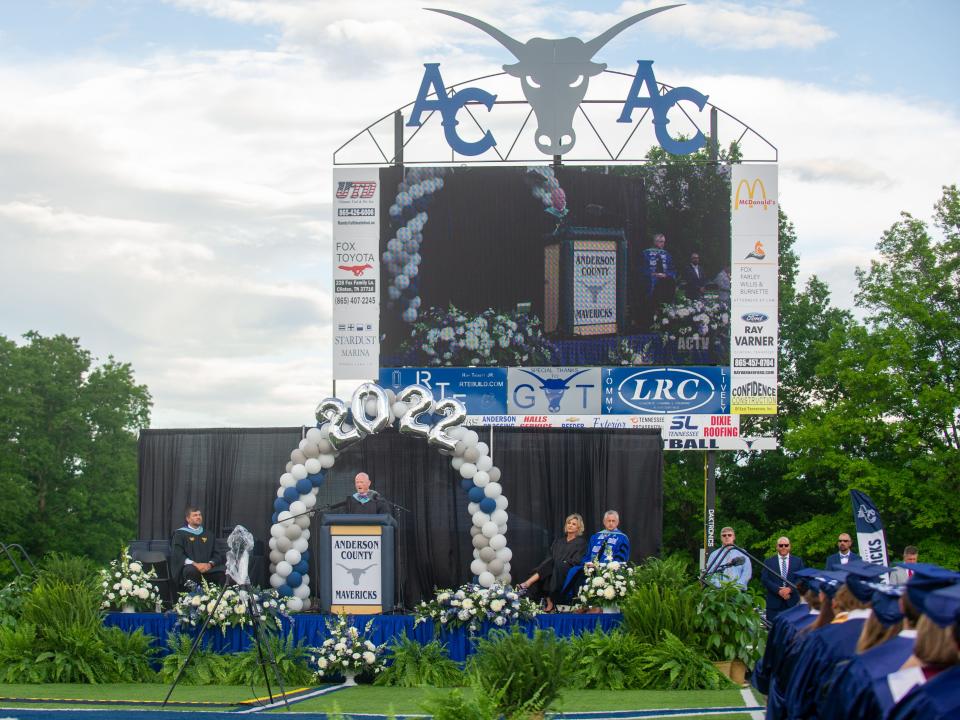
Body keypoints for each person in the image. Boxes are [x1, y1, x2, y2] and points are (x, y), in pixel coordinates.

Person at [519, 513, 588, 611]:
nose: (570, 525)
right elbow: (550, 557)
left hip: (568, 570)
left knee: (552, 564)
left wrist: (561, 562)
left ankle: (528, 583)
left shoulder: (581, 543)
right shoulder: (558, 541)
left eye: (574, 524)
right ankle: (550, 601)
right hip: (553, 568)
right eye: (569, 523)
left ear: (578, 528)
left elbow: (577, 560)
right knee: (550, 565)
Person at [561, 510, 631, 598]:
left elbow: (622, 558)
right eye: (608, 521)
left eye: (613, 521)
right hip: (591, 566)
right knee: (574, 571)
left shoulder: (622, 538)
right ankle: (576, 601)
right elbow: (588, 554)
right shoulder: (595, 537)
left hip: (608, 569)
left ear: (618, 522)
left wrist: (606, 566)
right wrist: (586, 563)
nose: (611, 523)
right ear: (604, 522)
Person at [171, 506, 225, 589]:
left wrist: (209, 564)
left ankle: (218, 598)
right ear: (188, 519)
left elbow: (217, 554)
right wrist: (195, 564)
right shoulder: (180, 534)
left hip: (208, 568)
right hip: (191, 568)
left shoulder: (209, 534)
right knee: (190, 571)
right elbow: (178, 554)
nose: (198, 517)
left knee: (223, 571)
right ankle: (195, 597)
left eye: (199, 515)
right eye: (195, 515)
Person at [761, 536, 805, 622]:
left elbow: (801, 578)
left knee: (791, 632)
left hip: (792, 602)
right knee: (773, 631)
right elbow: (765, 579)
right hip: (774, 603)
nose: (783, 547)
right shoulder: (768, 562)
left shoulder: (798, 561)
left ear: (790, 546)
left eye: (786, 545)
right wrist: (778, 590)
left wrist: (789, 589)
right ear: (777, 547)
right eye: (781, 545)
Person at [640, 233, 677, 310]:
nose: (662, 244)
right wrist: (652, 274)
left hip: (665, 283)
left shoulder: (667, 255)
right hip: (650, 283)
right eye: (660, 241)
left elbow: (672, 270)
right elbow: (641, 269)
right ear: (654, 242)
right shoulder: (645, 253)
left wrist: (666, 275)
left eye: (663, 241)